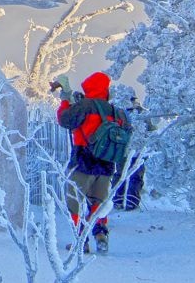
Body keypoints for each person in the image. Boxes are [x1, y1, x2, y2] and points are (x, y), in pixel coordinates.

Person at [54, 72, 127, 254]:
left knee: (75, 201)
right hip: (106, 164)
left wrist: (65, 101)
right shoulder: (113, 110)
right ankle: (100, 234)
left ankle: (80, 241)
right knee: (98, 202)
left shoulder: (85, 106)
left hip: (84, 161)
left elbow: (64, 119)